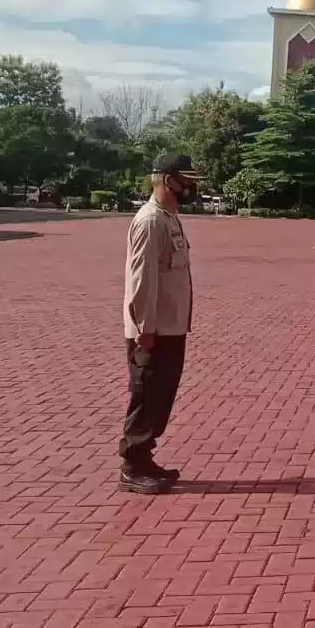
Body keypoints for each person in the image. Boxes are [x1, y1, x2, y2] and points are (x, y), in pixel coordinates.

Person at [119, 153, 201, 494]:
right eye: (186, 179)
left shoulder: (169, 218)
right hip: (153, 330)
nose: (191, 186)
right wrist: (145, 329)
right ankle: (133, 466)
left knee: (160, 396)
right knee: (147, 395)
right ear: (169, 180)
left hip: (169, 326)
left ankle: (145, 458)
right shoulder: (151, 220)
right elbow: (142, 279)